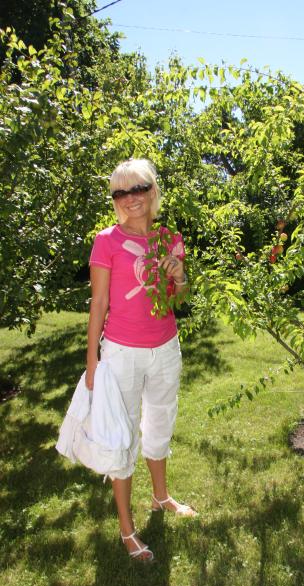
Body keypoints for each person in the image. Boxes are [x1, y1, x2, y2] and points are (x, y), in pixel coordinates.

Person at [86, 158, 196, 563]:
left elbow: (176, 299)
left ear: (153, 191)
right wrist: (92, 356)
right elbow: (98, 302)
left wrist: (179, 276)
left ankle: (161, 497)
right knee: (123, 437)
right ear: (115, 199)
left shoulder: (170, 237)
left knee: (161, 422)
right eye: (121, 192)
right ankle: (127, 530)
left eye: (139, 189)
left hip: (165, 347)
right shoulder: (107, 240)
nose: (131, 199)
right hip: (121, 352)